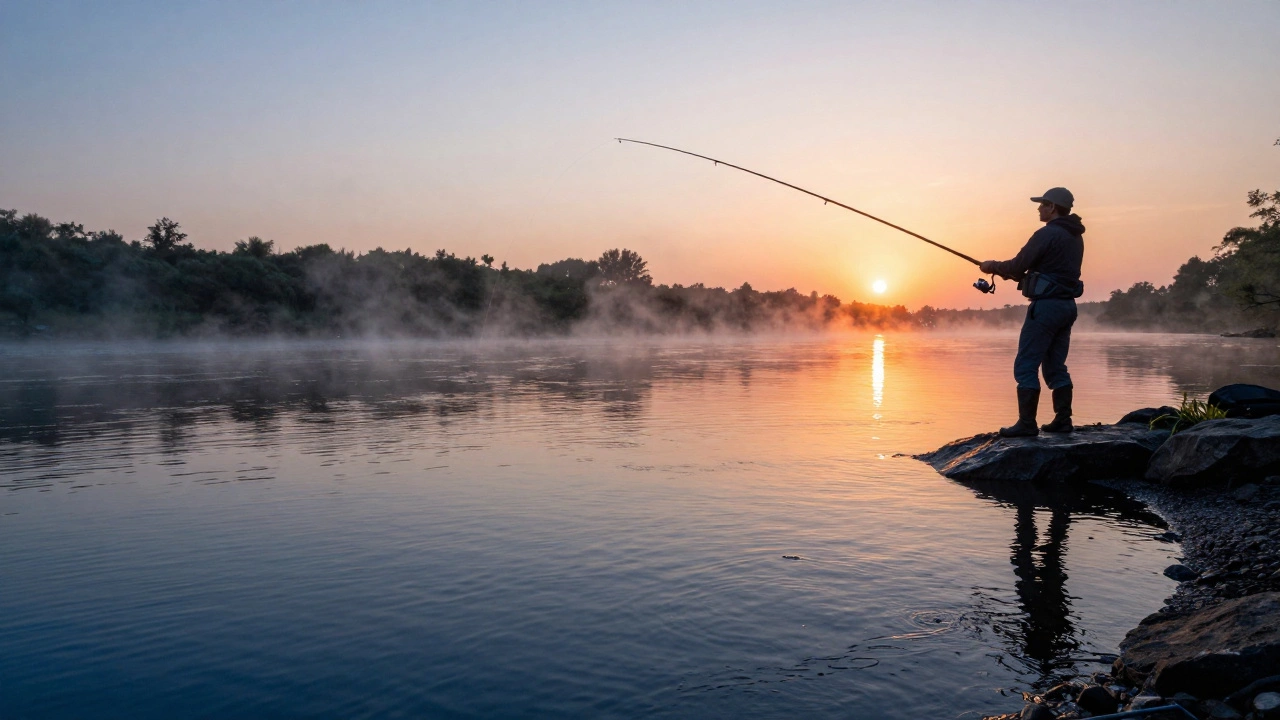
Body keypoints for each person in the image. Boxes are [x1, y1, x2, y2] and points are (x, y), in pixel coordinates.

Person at [979, 187, 1085, 437]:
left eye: (1042, 204)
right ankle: (1063, 420)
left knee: (1026, 365)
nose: (1039, 208)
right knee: (1055, 366)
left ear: (1053, 207)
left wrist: (990, 266)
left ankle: (1027, 424)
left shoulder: (1047, 234)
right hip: (1067, 307)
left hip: (1045, 307)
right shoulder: (1075, 237)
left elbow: (1017, 265)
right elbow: (1041, 270)